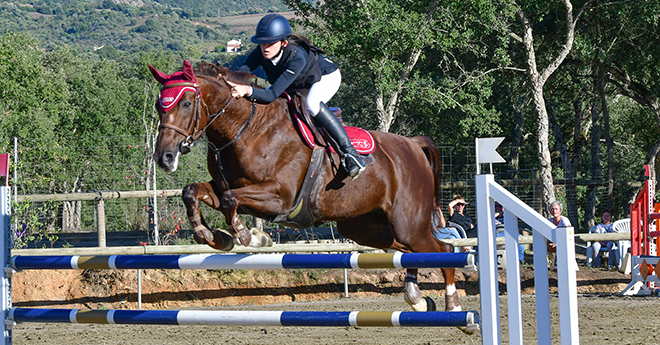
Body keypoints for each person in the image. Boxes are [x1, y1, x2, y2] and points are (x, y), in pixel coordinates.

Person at [226, 14, 367, 179]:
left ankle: (351, 154)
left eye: (270, 43)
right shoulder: (263, 50)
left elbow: (271, 94)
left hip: (325, 77)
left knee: (311, 104)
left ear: (284, 42)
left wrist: (247, 90)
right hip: (297, 82)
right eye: (262, 42)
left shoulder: (297, 57)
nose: (265, 47)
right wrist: (222, 78)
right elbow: (241, 72)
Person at [547, 200, 579, 271]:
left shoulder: (564, 220)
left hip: (565, 243)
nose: (554, 211)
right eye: (552, 209)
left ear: (560, 211)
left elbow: (568, 234)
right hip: (553, 243)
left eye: (556, 209)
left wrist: (557, 244)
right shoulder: (549, 221)